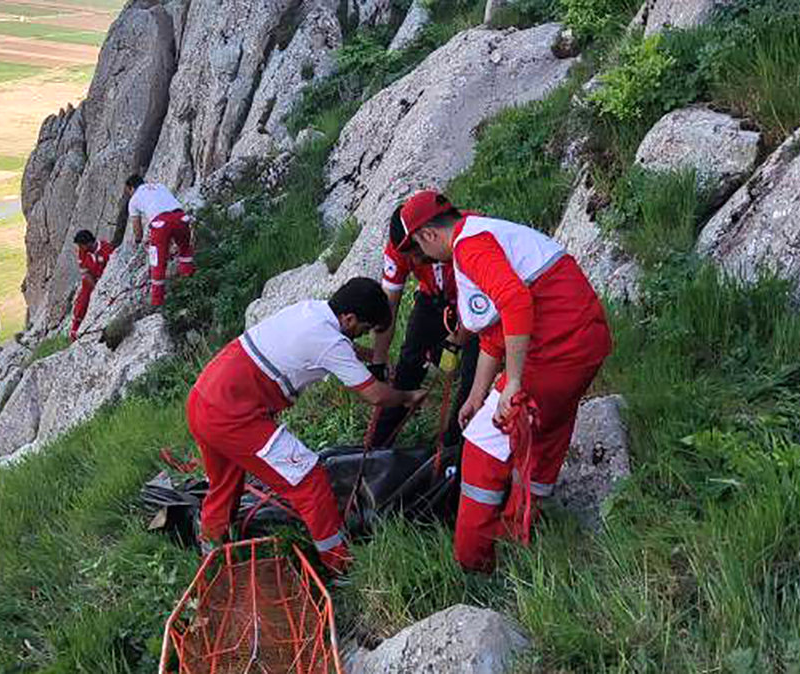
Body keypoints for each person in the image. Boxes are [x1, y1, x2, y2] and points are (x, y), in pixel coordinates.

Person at [398, 189, 613, 572]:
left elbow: (515, 303)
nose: (421, 257)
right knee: (544, 439)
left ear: (428, 236)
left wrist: (512, 384)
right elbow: (495, 331)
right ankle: (521, 535)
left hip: (556, 351)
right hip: (581, 345)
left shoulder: (471, 248)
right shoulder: (482, 234)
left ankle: (475, 566)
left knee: (482, 448)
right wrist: (477, 394)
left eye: (416, 246)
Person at [186, 278, 428, 573]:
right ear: (349, 318)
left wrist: (368, 357)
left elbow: (332, 349)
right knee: (309, 481)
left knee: (225, 484)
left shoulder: (310, 311)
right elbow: (376, 396)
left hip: (203, 399)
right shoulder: (329, 341)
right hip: (232, 415)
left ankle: (210, 557)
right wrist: (407, 396)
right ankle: (339, 564)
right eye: (363, 331)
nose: (361, 337)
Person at [368, 205, 480, 448]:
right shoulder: (400, 249)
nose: (416, 261)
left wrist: (457, 339)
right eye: (410, 257)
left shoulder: (465, 231)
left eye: (416, 254)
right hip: (431, 300)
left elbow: (482, 305)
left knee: (472, 375)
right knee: (408, 366)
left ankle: (455, 449)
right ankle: (377, 446)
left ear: (426, 235)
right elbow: (389, 308)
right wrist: (378, 362)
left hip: (471, 297)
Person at [124, 174, 194, 306]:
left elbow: (136, 226)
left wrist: (139, 241)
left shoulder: (134, 200)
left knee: (158, 263)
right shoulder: (160, 186)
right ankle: (189, 283)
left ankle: (157, 302)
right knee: (185, 252)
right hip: (181, 218)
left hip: (160, 224)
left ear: (131, 188)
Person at [70, 229, 115, 341]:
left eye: (81, 245)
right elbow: (85, 273)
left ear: (89, 243)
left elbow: (113, 270)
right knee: (82, 302)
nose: (80, 249)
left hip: (107, 280)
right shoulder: (82, 252)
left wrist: (102, 287)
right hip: (91, 281)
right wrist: (95, 288)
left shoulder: (107, 250)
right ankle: (74, 332)